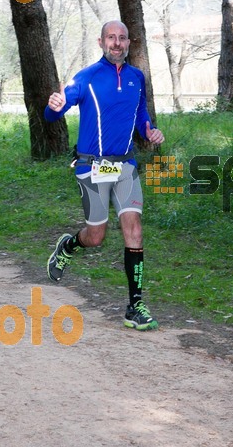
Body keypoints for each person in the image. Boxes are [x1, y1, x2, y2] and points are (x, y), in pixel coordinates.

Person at [45, 20, 165, 331]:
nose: (116, 43)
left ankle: (135, 304)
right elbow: (55, 111)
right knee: (95, 237)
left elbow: (141, 115)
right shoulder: (86, 78)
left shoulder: (137, 78)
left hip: (125, 166)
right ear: (101, 42)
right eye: (111, 38)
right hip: (92, 166)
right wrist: (55, 106)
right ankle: (70, 246)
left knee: (134, 229)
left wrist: (149, 130)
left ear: (129, 42)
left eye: (122, 38)